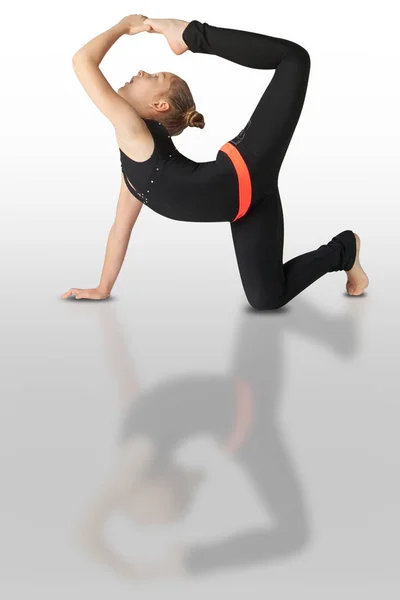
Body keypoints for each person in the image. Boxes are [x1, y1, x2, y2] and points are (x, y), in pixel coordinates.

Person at [62, 17, 369, 307]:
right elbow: (120, 230)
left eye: (154, 76)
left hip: (248, 167)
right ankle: (344, 251)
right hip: (247, 207)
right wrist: (103, 288)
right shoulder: (134, 164)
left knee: (294, 59)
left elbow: (82, 62)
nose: (142, 72)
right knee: (267, 298)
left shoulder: (136, 135)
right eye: (155, 74)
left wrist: (122, 27)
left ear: (159, 105)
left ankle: (189, 33)